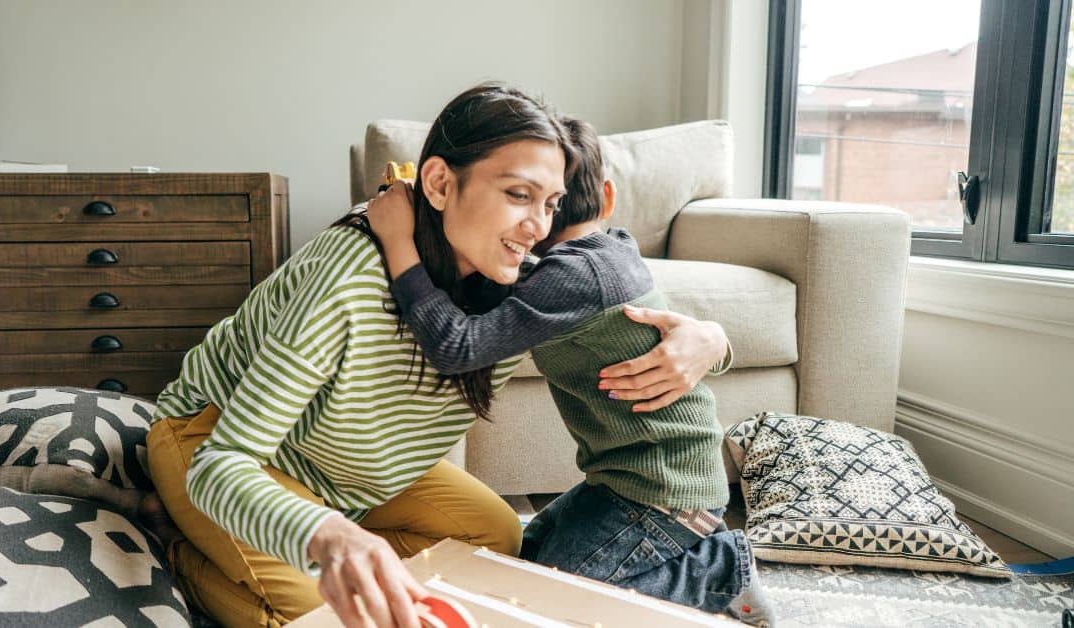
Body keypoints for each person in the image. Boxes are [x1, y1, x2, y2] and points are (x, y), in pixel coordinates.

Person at [138, 82, 733, 628]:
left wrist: (711, 338)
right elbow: (225, 464)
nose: (537, 227)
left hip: (343, 471)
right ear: (441, 183)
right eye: (517, 195)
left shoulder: (523, 285)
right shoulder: (346, 280)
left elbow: (626, 314)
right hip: (213, 445)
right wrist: (325, 536)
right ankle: (181, 550)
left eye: (550, 203)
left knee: (499, 541)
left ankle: (279, 546)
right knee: (334, 619)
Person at [366, 116, 772, 626]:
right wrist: (713, 337)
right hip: (627, 480)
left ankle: (718, 571)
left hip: (663, 494)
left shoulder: (572, 276)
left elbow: (457, 345)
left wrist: (396, 238)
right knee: (522, 558)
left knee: (546, 601)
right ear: (607, 198)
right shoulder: (605, 252)